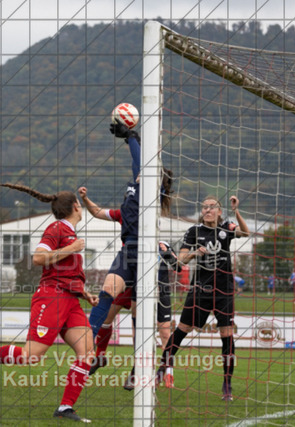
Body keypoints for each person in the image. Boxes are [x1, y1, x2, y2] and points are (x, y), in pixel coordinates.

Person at [0, 181, 98, 422]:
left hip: (70, 300)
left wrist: (84, 293)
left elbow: (65, 273)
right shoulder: (57, 229)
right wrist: (72, 248)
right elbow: (38, 258)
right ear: (76, 206)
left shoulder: (70, 233)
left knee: (87, 352)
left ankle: (65, 408)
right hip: (52, 297)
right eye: (79, 204)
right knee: (32, 355)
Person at [78, 171, 176, 390]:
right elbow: (98, 212)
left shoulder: (151, 207)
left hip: (144, 272)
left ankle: (138, 370)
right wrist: (85, 199)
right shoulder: (126, 211)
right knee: (106, 314)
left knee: (139, 327)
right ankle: (99, 355)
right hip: (126, 270)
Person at [86, 121, 172, 345]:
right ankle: (87, 340)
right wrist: (131, 139)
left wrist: (131, 137)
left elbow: (141, 162)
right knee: (107, 291)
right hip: (128, 251)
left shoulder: (154, 188)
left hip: (147, 253)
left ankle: (145, 362)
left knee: (140, 316)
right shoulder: (136, 185)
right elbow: (139, 162)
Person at [159, 195, 249, 402]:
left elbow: (245, 232)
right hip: (200, 289)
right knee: (182, 329)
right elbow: (181, 260)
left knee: (226, 334)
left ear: (219, 211)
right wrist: (194, 254)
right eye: (204, 207)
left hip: (224, 291)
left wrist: (236, 210)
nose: (207, 210)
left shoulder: (227, 227)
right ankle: (162, 369)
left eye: (212, 207)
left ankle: (227, 384)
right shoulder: (194, 231)